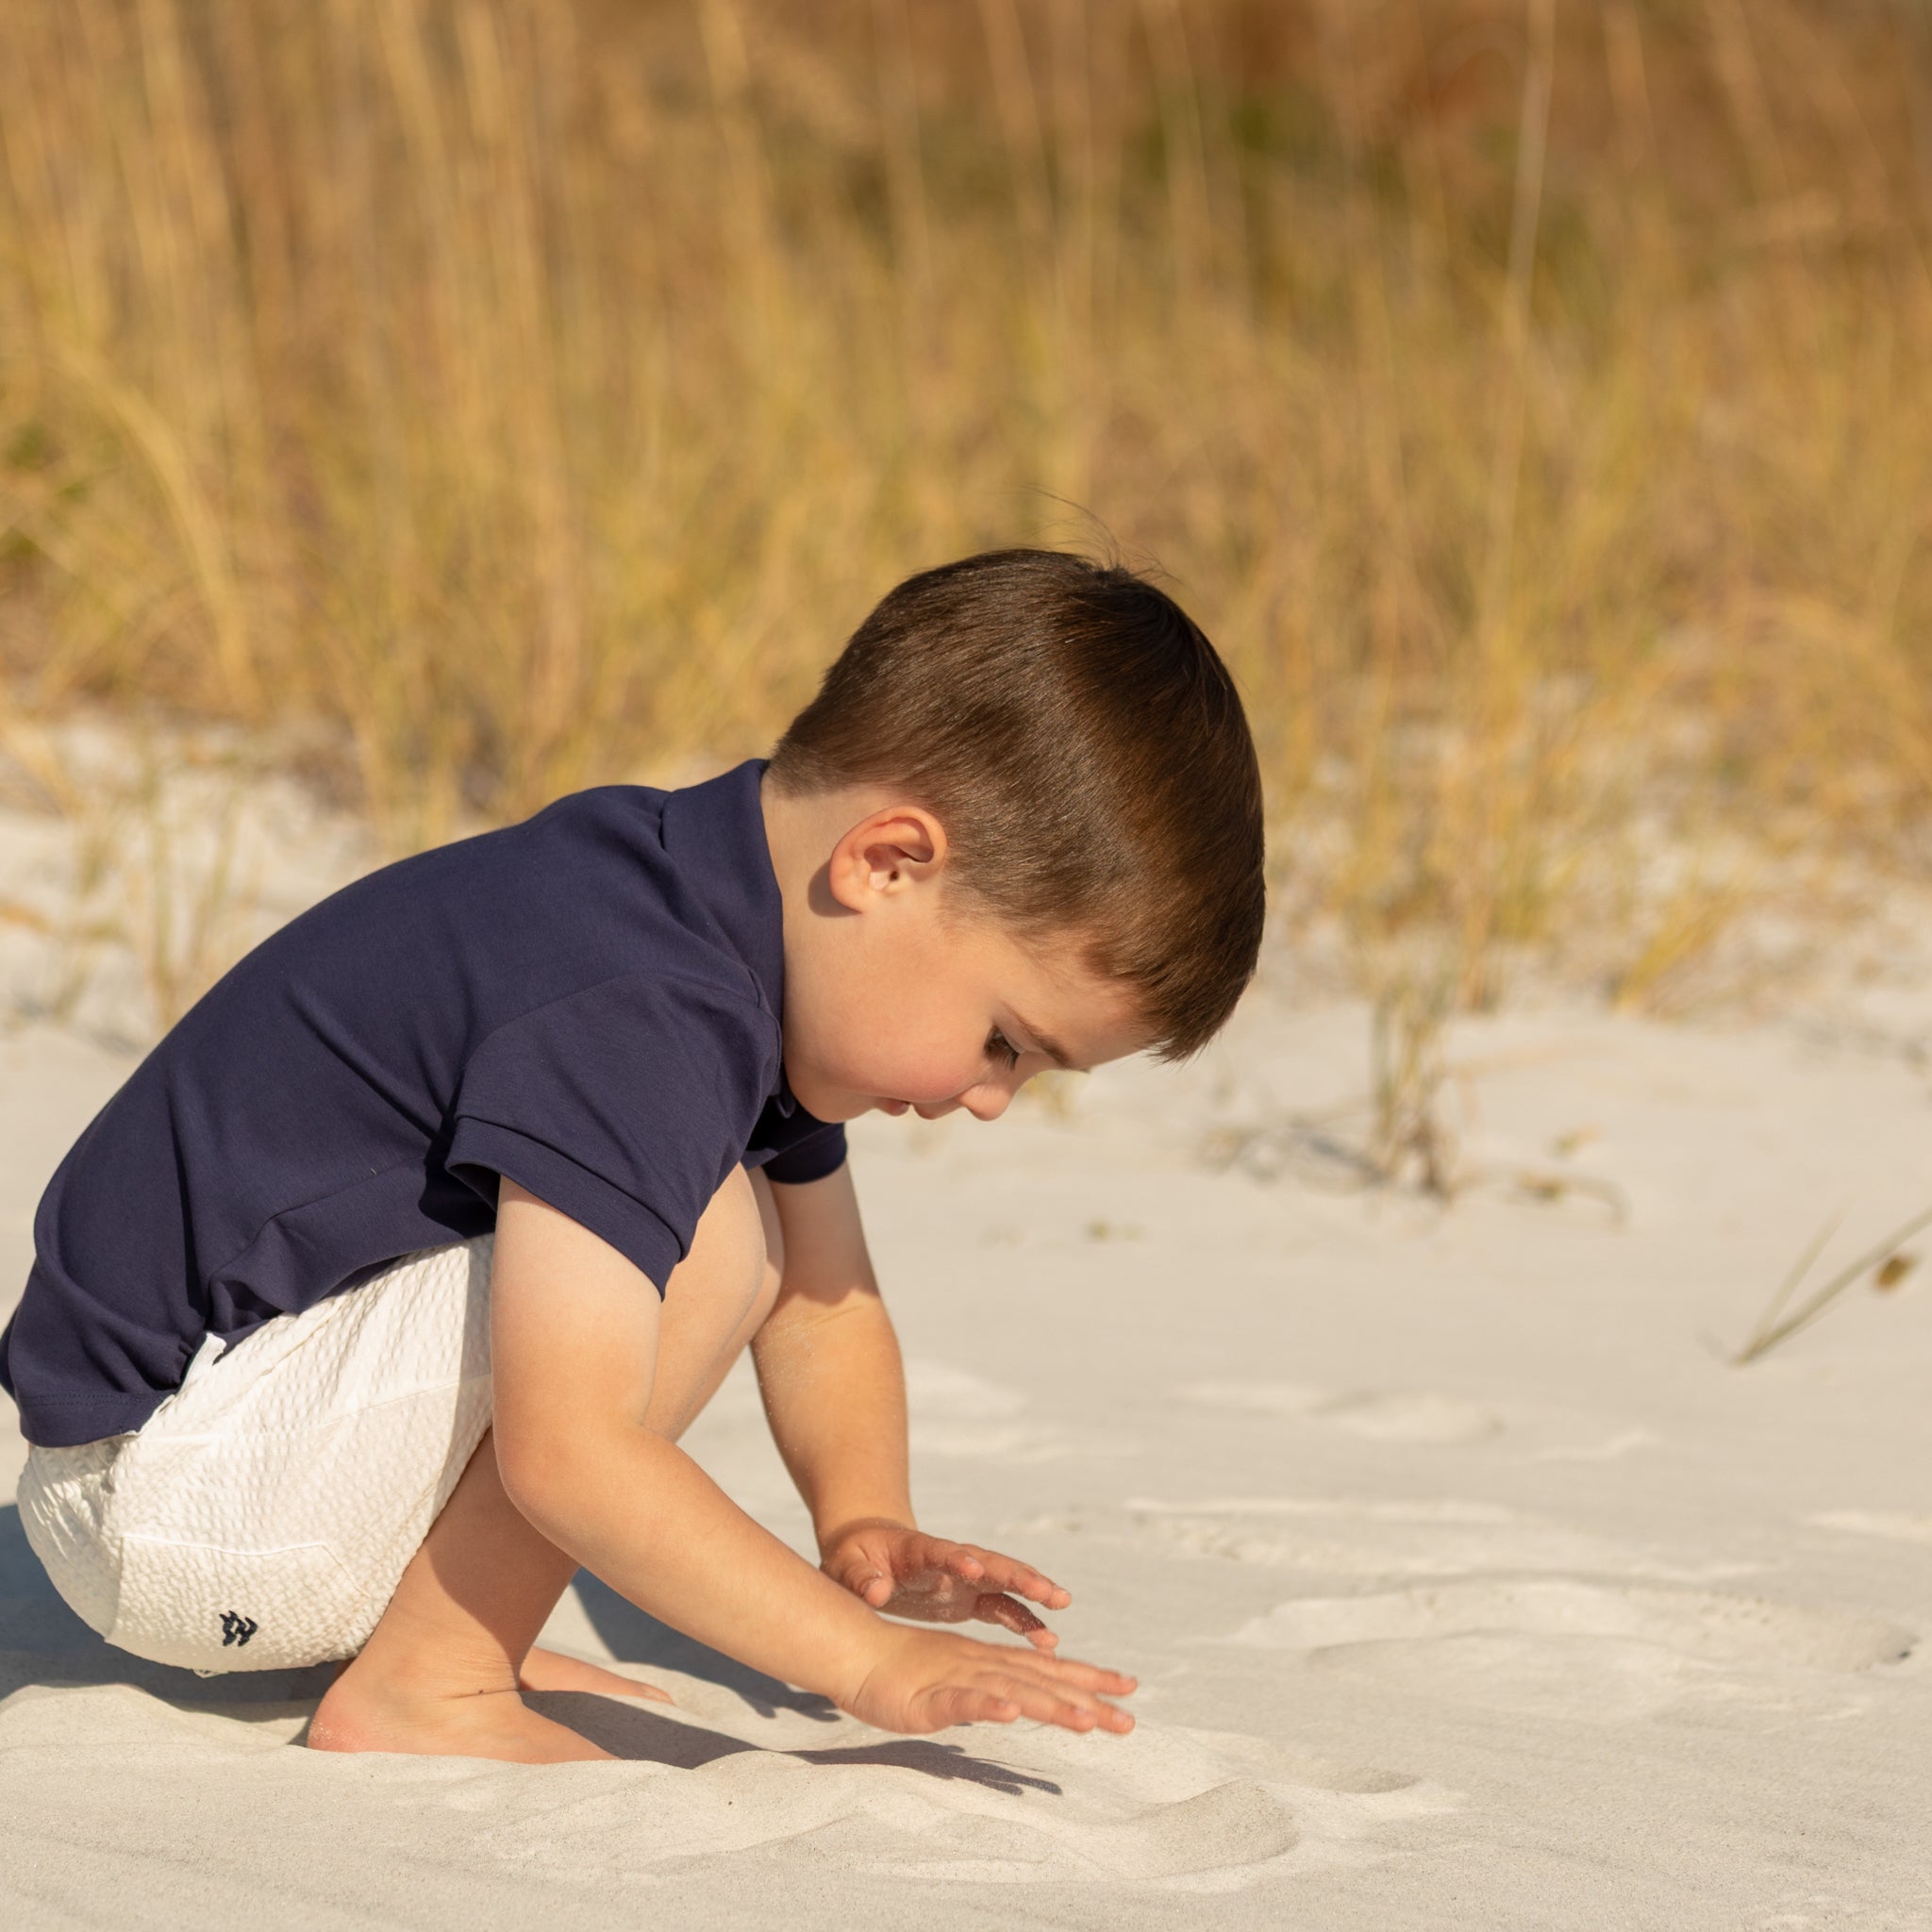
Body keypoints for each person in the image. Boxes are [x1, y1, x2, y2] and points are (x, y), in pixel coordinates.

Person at [3, 548, 1267, 1763]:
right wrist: (871, 1661)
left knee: (732, 1230)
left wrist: (864, 1519)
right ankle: (432, 1673)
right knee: (711, 1240)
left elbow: (825, 1305)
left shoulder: (705, 914)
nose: (990, 1100)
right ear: (886, 863)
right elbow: (569, 1447)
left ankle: (437, 1629)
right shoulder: (642, 1004)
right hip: (161, 1494)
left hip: (227, 1446)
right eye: (1006, 1043)